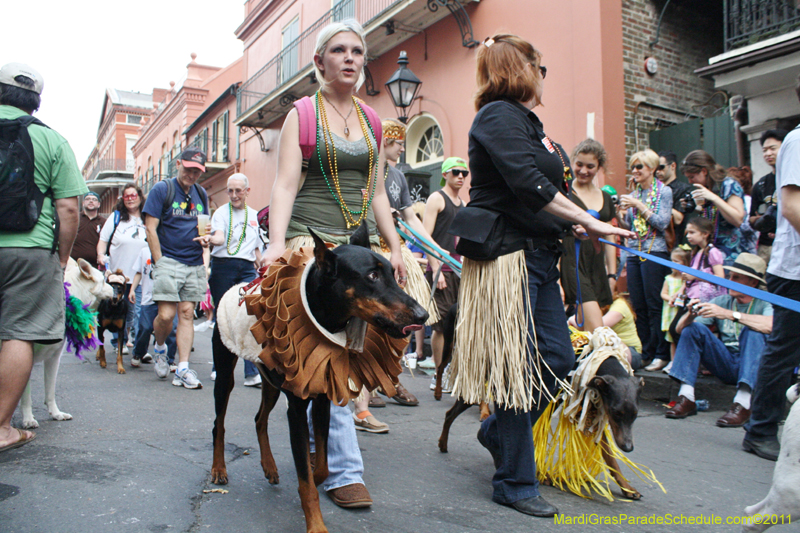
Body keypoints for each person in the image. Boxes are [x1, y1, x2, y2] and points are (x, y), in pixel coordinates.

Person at [456, 34, 632, 518]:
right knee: (520, 369)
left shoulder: (528, 123)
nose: (543, 76)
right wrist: (589, 220)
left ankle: (497, 434)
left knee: (556, 359)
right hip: (507, 260)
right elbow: (527, 184)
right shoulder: (497, 115)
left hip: (538, 259)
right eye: (540, 67)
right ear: (522, 69)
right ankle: (514, 482)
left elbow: (549, 191)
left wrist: (578, 221)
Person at [259, 20, 409, 508]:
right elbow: (285, 184)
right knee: (322, 350)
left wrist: (395, 247)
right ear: (319, 61)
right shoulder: (302, 115)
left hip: (359, 247)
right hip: (311, 246)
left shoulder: (372, 120)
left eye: (357, 51)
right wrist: (277, 244)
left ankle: (320, 440)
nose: (350, 58)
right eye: (339, 50)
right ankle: (343, 469)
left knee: (352, 352)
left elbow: (378, 193)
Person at [0, 63, 86, 452]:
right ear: (36, 101)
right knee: (20, 333)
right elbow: (69, 209)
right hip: (30, 250)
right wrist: (62, 258)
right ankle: (3, 428)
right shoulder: (52, 140)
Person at [744, 91, 800, 460]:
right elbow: (792, 205)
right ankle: (760, 429)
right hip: (793, 271)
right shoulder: (797, 141)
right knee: (783, 351)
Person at [665, 254, 772, 429]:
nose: (730, 281)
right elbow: (678, 330)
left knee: (753, 330)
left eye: (736, 277)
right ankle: (686, 397)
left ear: (753, 283)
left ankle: (743, 403)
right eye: (730, 276)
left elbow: (770, 326)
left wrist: (729, 314)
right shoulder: (722, 300)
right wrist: (690, 315)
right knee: (692, 329)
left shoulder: (765, 302)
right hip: (727, 363)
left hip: (755, 367)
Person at [143, 147, 210, 390]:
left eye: (197, 172)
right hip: (168, 260)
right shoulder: (162, 189)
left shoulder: (201, 193)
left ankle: (182, 368)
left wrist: (205, 241)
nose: (191, 175)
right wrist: (159, 262)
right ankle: (160, 348)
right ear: (179, 164)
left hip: (193, 262)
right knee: (166, 315)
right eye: (188, 169)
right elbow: (150, 228)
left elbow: (203, 226)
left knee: (186, 313)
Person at [200, 173, 262, 387]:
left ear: (247, 191)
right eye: (230, 191)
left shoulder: (255, 216)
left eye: (238, 191)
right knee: (223, 317)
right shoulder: (221, 213)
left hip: (247, 268)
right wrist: (210, 239)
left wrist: (264, 267)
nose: (234, 195)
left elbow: (256, 248)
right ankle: (219, 369)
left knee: (249, 316)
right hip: (223, 266)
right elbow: (219, 236)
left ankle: (251, 372)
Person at [616, 149, 674, 371]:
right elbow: (629, 227)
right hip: (634, 252)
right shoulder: (635, 193)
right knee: (638, 304)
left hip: (654, 252)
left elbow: (662, 222)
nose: (635, 170)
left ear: (651, 168)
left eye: (639, 166)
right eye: (633, 166)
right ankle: (645, 352)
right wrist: (619, 213)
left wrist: (638, 205)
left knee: (654, 304)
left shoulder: (664, 192)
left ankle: (661, 353)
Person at [560, 139, 617, 333]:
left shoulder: (605, 197)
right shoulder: (564, 193)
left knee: (586, 330)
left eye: (590, 166)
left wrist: (612, 274)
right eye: (579, 164)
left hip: (596, 265)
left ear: (599, 167)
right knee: (598, 329)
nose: (583, 170)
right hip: (572, 262)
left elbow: (610, 237)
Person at [420, 156, 467, 384]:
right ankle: (438, 375)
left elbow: (461, 240)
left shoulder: (463, 204)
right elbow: (424, 236)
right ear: (445, 174)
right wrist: (436, 266)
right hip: (441, 269)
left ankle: (450, 371)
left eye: (464, 173)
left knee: (457, 323)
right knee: (440, 325)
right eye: (456, 172)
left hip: (458, 270)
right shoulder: (437, 198)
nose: (461, 177)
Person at [97, 182, 148, 356]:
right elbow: (103, 240)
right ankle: (119, 342)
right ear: (122, 199)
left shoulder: (148, 217)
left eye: (134, 195)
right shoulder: (116, 217)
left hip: (141, 275)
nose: (130, 199)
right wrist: (101, 255)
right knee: (116, 309)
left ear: (140, 197)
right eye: (126, 196)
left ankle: (139, 347)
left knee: (139, 312)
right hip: (118, 276)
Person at [681, 150, 751, 264]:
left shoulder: (728, 184)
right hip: (711, 254)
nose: (690, 181)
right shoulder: (708, 187)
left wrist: (714, 198)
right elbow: (715, 215)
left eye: (692, 177)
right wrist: (695, 207)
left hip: (730, 255)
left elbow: (738, 219)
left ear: (704, 171)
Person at [129, 246, 177, 368]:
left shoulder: (172, 249)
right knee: (145, 327)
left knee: (171, 328)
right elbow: (139, 272)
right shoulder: (144, 251)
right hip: (148, 296)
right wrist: (132, 289)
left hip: (168, 295)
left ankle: (170, 359)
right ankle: (138, 353)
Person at [750, 129, 788, 266]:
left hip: (792, 244)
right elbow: (751, 219)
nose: (768, 153)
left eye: (773, 148)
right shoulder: (761, 184)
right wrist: (762, 220)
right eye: (764, 150)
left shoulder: (793, 177)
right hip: (767, 247)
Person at [683, 217, 726, 303]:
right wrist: (680, 291)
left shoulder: (712, 252)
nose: (688, 236)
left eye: (692, 232)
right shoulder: (696, 252)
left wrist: (695, 276)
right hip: (692, 295)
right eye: (687, 233)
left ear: (705, 234)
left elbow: (720, 277)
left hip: (706, 299)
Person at [660, 246, 690, 371]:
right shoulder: (669, 278)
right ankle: (673, 362)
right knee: (671, 338)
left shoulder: (686, 280)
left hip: (681, 311)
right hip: (671, 311)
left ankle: (682, 362)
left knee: (681, 336)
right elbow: (663, 293)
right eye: (671, 260)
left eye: (676, 261)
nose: (672, 264)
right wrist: (670, 299)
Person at [657, 150, 693, 244]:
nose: (657, 171)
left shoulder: (683, 189)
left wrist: (657, 199)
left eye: (661, 167)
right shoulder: (653, 188)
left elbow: (678, 219)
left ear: (672, 166)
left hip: (673, 243)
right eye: (655, 168)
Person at [71, 192, 107, 266]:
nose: (91, 201)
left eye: (94, 199)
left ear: (99, 204)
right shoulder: (74, 219)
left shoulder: (104, 222)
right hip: (74, 264)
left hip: (95, 266)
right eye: (88, 199)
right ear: (83, 203)